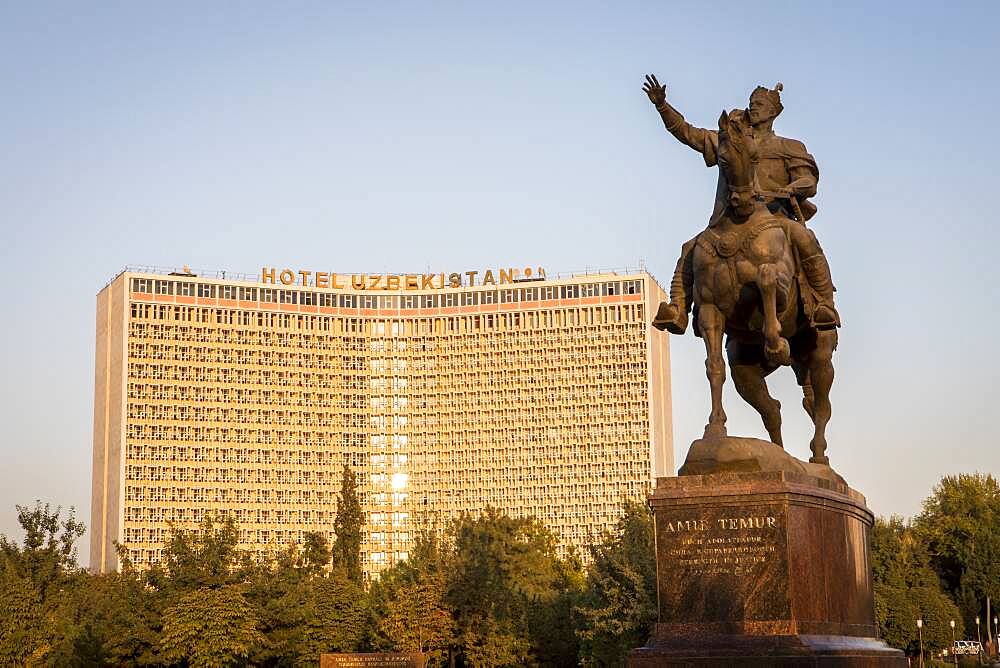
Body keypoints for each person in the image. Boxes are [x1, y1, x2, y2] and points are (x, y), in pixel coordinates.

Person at [643, 74, 840, 334]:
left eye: (760, 104)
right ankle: (678, 308)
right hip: (730, 219)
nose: (754, 107)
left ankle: (823, 304)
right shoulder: (730, 140)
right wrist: (662, 107)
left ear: (773, 112)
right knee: (690, 248)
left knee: (804, 237)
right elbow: (689, 133)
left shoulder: (788, 146)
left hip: (773, 218)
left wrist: (789, 188)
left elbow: (808, 181)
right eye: (752, 102)